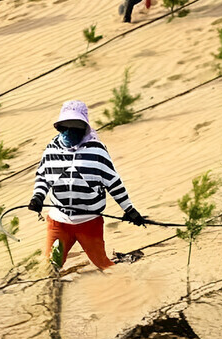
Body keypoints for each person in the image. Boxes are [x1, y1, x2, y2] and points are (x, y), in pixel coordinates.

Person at [28, 100, 145, 271]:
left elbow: (113, 182)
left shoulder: (97, 151)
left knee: (103, 265)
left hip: (89, 223)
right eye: (64, 127)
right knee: (50, 266)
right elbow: (43, 177)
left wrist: (129, 210)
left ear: (84, 128)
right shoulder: (51, 150)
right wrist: (38, 197)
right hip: (59, 221)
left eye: (75, 127)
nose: (69, 132)